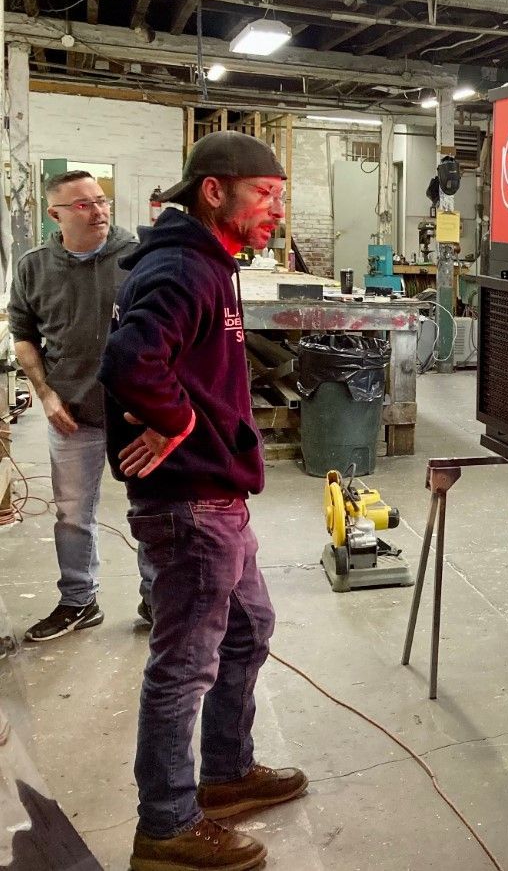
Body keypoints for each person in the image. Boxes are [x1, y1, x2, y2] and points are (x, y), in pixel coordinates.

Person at [99, 132, 306, 871]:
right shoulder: (184, 266)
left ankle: (224, 773)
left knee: (248, 629)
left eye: (280, 197)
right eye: (266, 195)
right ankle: (166, 825)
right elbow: (129, 360)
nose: (275, 212)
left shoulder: (206, 262)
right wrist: (178, 419)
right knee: (184, 665)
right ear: (213, 191)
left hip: (216, 496)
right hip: (189, 506)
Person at [8, 170, 153, 641]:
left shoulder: (138, 259)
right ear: (56, 214)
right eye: (84, 205)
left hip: (135, 413)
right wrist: (46, 396)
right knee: (72, 514)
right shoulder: (34, 267)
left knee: (150, 510)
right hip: (72, 413)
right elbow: (24, 337)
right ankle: (78, 601)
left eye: (102, 200)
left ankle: (157, 599)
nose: (100, 211)